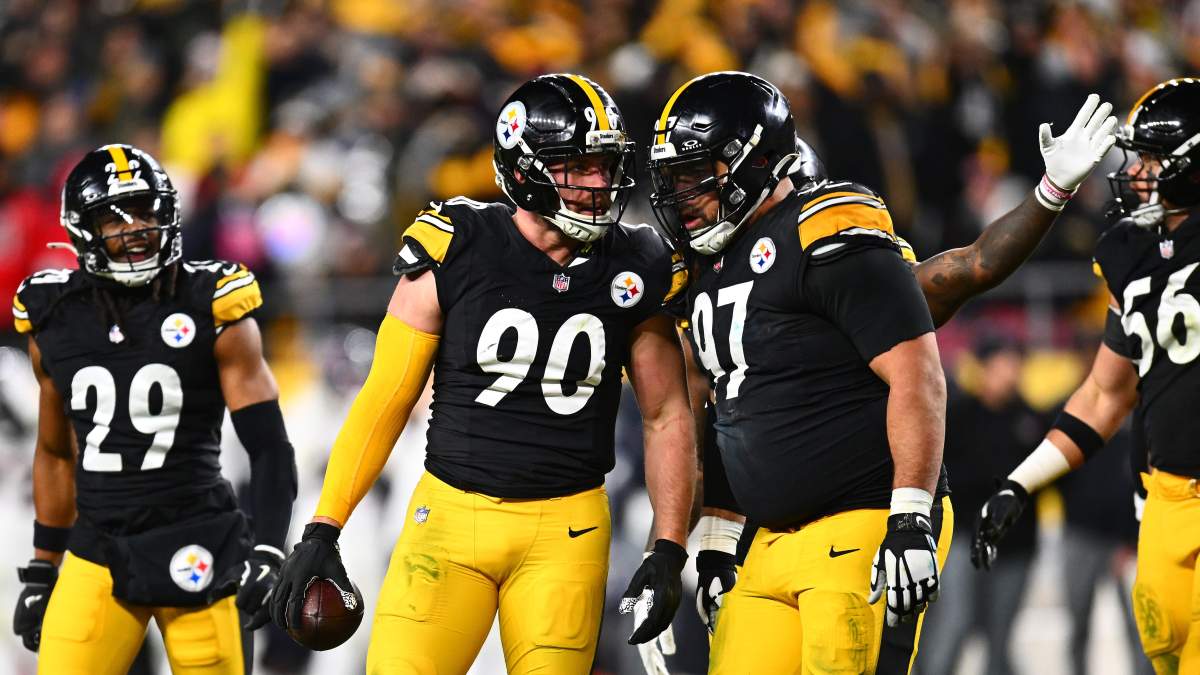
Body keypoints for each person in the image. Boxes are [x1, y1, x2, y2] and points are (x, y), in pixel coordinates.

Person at [646, 71, 1117, 673]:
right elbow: (735, 418)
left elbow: (943, 319)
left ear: (756, 162)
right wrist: (712, 546)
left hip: (859, 517)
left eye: (694, 174)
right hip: (767, 539)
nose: (681, 194)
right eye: (673, 178)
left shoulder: (823, 233)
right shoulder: (707, 273)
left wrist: (910, 516)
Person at [268, 73, 697, 674]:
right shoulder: (457, 244)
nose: (599, 183)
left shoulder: (640, 261)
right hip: (451, 518)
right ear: (524, 171)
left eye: (605, 165)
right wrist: (324, 526)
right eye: (578, 166)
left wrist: (668, 545)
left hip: (567, 530)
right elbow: (386, 397)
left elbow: (666, 413)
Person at [10, 144, 297, 674]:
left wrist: (270, 549)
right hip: (98, 549)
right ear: (82, 230)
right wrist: (43, 565)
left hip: (198, 545)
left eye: (145, 212)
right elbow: (55, 453)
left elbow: (269, 446)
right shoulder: (54, 315)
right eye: (115, 219)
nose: (136, 229)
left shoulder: (211, 301)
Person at [972, 77, 1200, 675]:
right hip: (1164, 498)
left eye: (1153, 159)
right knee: (1163, 650)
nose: (1137, 173)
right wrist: (1021, 482)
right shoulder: (1132, 252)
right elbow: (1104, 392)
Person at [915, 337, 1043, 675]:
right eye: (1003, 364)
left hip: (1015, 544)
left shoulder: (1030, 418)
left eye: (1015, 364)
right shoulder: (959, 414)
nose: (1010, 372)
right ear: (984, 368)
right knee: (954, 622)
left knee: (1000, 635)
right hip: (964, 537)